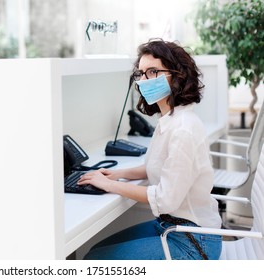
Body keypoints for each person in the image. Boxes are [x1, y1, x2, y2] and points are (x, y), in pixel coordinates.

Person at [78, 39, 222, 260]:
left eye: (153, 71)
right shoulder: (169, 119)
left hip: (194, 242)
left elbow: (165, 199)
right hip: (170, 226)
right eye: (141, 74)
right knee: (94, 251)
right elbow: (154, 166)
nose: (145, 80)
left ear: (177, 75)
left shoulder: (183, 129)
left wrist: (110, 185)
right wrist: (117, 174)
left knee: (94, 261)